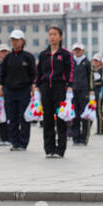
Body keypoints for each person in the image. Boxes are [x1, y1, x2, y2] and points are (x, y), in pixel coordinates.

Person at [36, 25, 74, 158]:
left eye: (55, 34)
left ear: (60, 37)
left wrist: (69, 87)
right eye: (50, 34)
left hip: (60, 89)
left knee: (61, 119)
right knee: (47, 120)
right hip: (46, 89)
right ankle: (49, 149)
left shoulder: (65, 54)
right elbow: (39, 73)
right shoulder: (43, 54)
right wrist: (36, 88)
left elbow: (70, 71)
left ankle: (60, 149)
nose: (52, 37)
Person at [0, 30, 36, 151]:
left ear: (22, 41)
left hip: (24, 91)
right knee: (12, 118)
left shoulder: (28, 57)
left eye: (17, 40)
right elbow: (3, 74)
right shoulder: (8, 58)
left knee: (24, 118)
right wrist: (0, 86)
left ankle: (23, 143)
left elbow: (33, 74)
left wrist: (33, 87)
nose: (14, 42)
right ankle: (15, 143)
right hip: (9, 91)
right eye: (12, 40)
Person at [71, 42, 94, 146]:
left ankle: (84, 138)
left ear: (83, 51)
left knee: (85, 115)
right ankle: (75, 137)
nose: (77, 51)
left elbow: (91, 77)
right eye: (75, 49)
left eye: (79, 49)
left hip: (84, 91)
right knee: (74, 115)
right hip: (73, 92)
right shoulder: (71, 62)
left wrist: (91, 90)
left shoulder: (87, 63)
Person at [92, 53, 103, 135]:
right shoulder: (92, 70)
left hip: (100, 92)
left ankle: (100, 130)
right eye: (94, 60)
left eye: (97, 61)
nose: (95, 62)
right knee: (94, 111)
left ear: (100, 62)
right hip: (93, 92)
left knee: (99, 111)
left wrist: (94, 83)